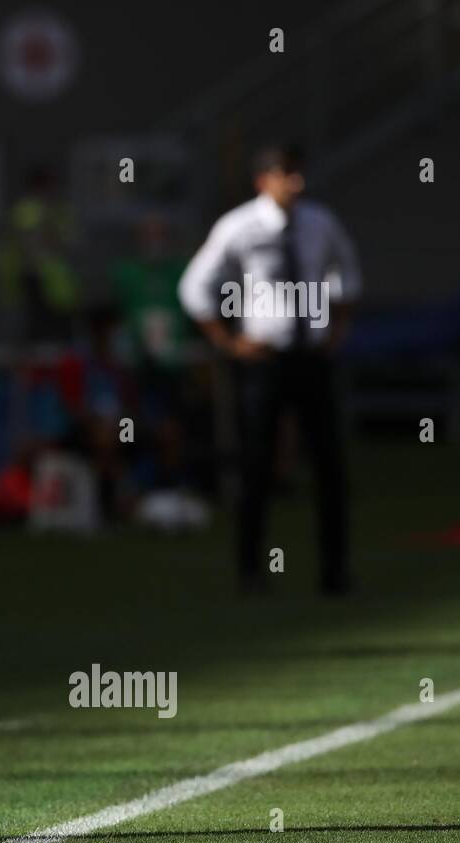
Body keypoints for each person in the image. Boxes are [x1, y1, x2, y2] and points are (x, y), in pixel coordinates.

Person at [178, 144, 361, 595]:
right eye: (285, 174)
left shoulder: (320, 223)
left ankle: (334, 572)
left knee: (330, 466)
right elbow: (196, 285)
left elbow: (347, 275)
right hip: (265, 360)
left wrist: (337, 327)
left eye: (298, 174)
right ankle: (250, 571)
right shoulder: (239, 226)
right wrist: (227, 341)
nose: (295, 183)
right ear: (263, 180)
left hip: (313, 358)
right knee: (256, 464)